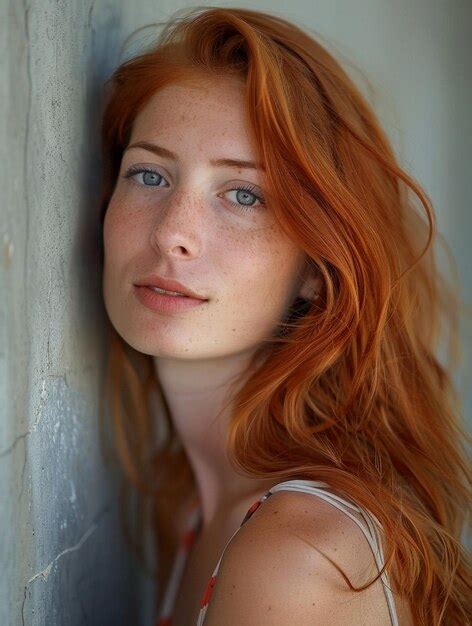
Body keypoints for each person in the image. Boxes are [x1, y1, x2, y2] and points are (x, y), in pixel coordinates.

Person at [97, 6, 471, 625]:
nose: (172, 235)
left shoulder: (295, 555)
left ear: (315, 268)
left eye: (243, 194)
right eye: (150, 174)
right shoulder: (196, 508)